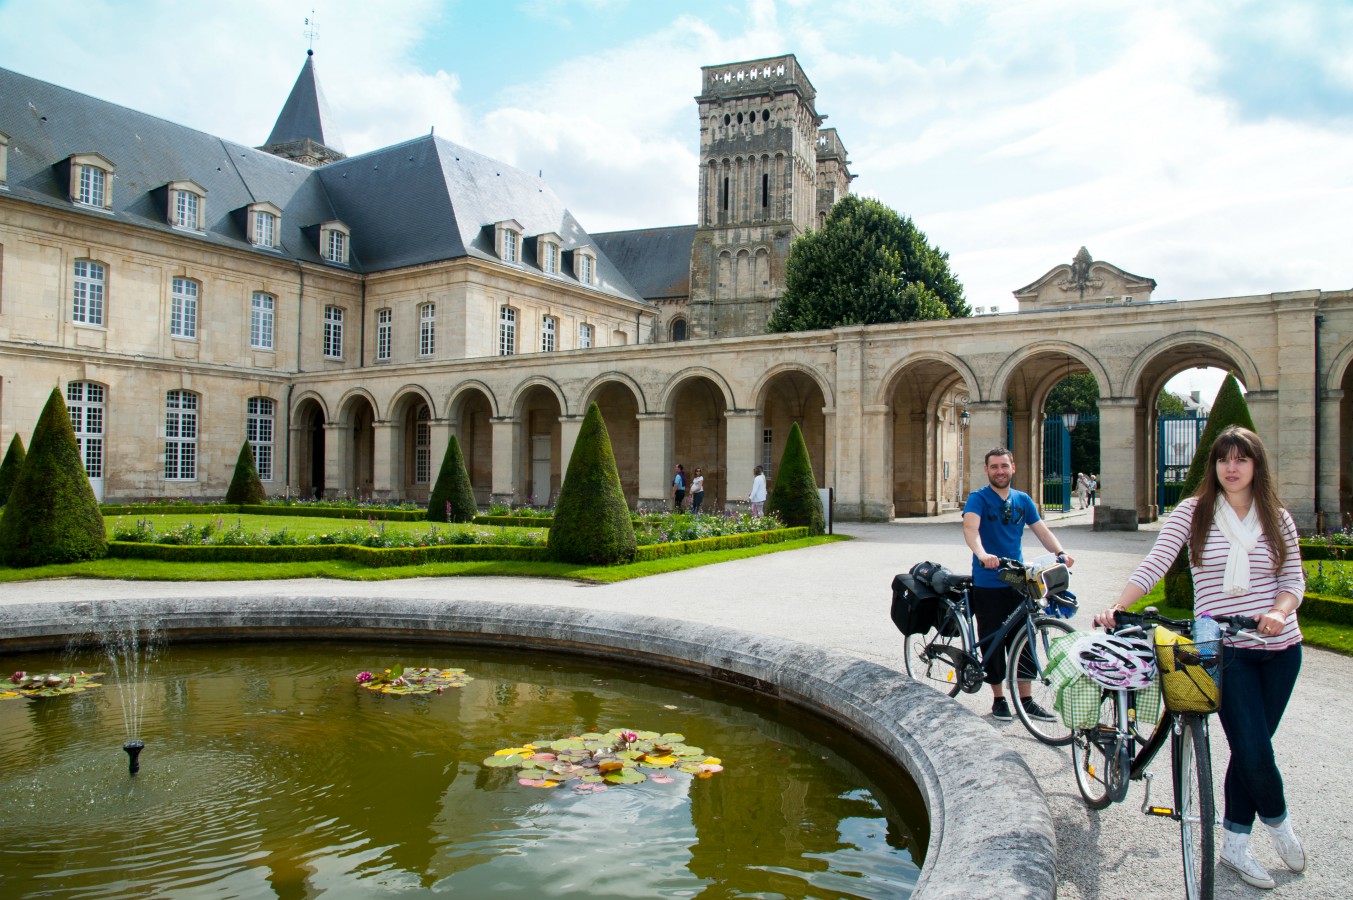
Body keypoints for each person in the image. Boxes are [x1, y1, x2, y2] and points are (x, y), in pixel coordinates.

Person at [1095, 426, 1305, 890]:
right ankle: (1279, 823)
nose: (1232, 468)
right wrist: (1118, 605)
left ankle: (1233, 843)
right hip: (1223, 651)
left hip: (1282, 649)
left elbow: (1294, 582)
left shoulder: (1278, 517)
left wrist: (1277, 610)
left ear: (1256, 465)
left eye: (1242, 459)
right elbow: (1156, 562)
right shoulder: (1193, 513)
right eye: (1224, 459)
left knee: (1255, 749)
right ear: (1213, 466)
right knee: (1251, 748)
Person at [962, 447, 1075, 722]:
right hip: (989, 579)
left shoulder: (1023, 500)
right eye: (994, 467)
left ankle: (1026, 700)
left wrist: (1061, 553)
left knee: (1024, 638)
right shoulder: (978, 499)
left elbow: (1041, 531)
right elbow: (970, 529)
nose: (1000, 471)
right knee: (993, 636)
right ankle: (999, 698)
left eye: (1004, 466)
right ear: (986, 470)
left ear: (1013, 467)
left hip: (1017, 579)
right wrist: (982, 554)